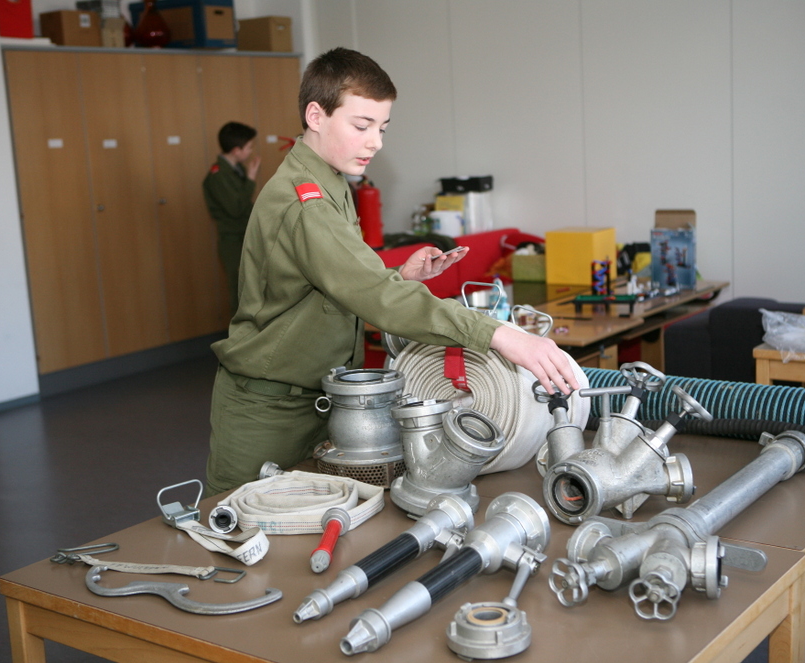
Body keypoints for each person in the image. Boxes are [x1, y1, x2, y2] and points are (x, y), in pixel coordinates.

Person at [205, 48, 579, 496]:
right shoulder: (306, 202)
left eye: (382, 128)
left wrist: (398, 277)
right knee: (243, 522)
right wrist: (500, 335)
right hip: (268, 413)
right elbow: (373, 294)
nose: (376, 142)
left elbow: (337, 286)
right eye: (361, 126)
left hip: (319, 402)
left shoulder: (329, 180)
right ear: (316, 116)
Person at [203, 121, 261, 312]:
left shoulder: (237, 169)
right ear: (237, 151)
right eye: (249, 147)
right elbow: (235, 208)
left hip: (245, 235)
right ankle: (241, 331)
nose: (251, 151)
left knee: (254, 288)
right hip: (233, 241)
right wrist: (251, 179)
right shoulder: (218, 175)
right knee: (240, 291)